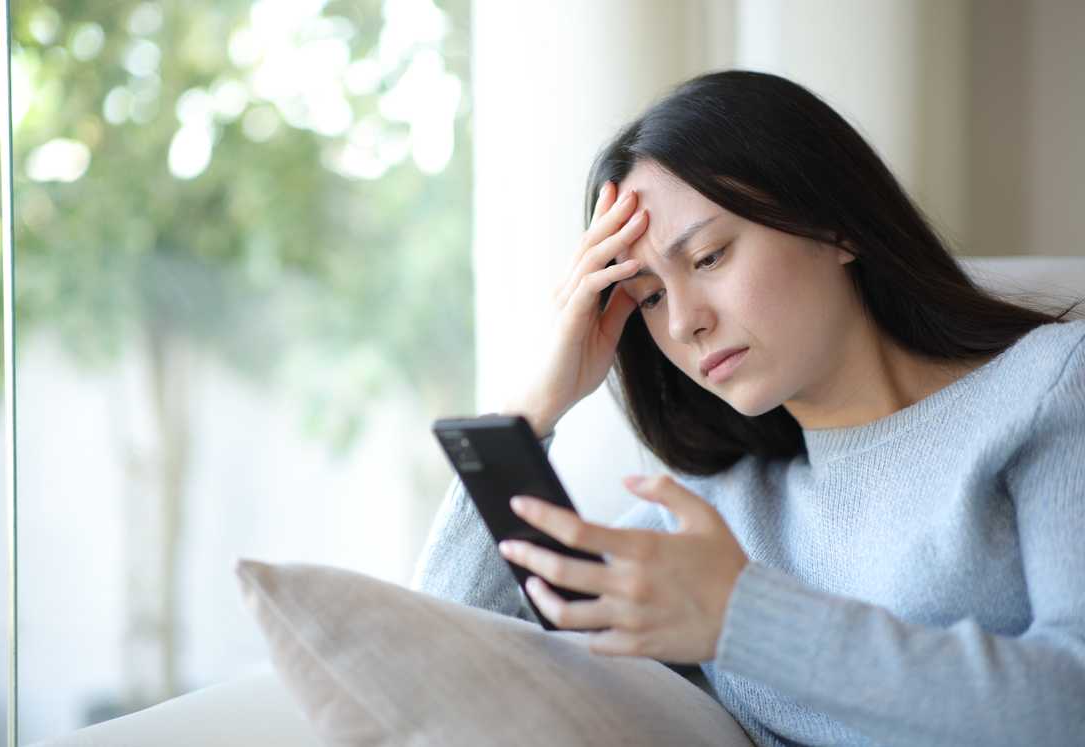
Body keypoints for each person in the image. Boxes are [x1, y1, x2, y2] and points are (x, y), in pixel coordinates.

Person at [410, 70, 1085, 746]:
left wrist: (745, 617)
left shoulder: (1051, 384)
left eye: (708, 256)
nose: (682, 323)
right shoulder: (714, 513)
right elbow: (441, 675)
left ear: (835, 223)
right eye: (647, 297)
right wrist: (528, 412)